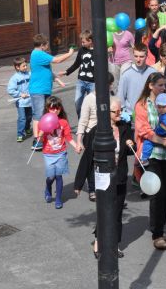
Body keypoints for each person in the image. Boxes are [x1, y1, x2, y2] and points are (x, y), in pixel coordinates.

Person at [134, 72, 166, 250]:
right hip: (153, 154)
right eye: (160, 85)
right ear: (150, 86)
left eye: (164, 85)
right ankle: (157, 234)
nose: (163, 88)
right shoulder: (142, 105)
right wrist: (164, 141)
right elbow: (144, 131)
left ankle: (160, 227)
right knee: (157, 193)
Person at [91, 97, 134, 259]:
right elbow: (89, 156)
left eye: (121, 110)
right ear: (107, 112)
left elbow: (130, 149)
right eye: (116, 111)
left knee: (116, 213)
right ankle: (98, 240)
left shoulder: (124, 127)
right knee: (104, 211)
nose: (120, 113)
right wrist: (80, 182)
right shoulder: (99, 130)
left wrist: (131, 143)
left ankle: (114, 245)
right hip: (104, 177)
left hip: (120, 176)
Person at [28, 33, 74, 150]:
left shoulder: (39, 54)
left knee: (44, 113)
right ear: (42, 45)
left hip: (44, 89)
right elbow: (57, 60)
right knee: (38, 115)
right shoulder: (38, 54)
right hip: (38, 90)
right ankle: (37, 140)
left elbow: (47, 71)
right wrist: (69, 54)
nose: (48, 47)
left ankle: (43, 135)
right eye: (47, 45)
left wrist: (58, 80)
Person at [74, 72, 114, 202]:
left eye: (110, 84)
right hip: (92, 134)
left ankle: (107, 187)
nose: (110, 87)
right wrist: (79, 140)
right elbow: (83, 121)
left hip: (108, 132)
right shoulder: (89, 98)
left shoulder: (111, 96)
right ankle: (92, 189)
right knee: (91, 162)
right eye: (108, 84)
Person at [38, 96, 82, 209]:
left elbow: (68, 137)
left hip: (61, 153)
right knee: (51, 177)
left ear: (60, 109)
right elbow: (40, 140)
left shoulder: (63, 122)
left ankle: (58, 199)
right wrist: (41, 135)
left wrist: (76, 146)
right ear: (47, 109)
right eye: (52, 108)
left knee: (58, 176)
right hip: (48, 154)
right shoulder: (44, 121)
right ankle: (48, 188)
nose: (55, 110)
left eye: (57, 108)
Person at [139, 93, 166, 166]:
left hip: (163, 137)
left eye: (163, 107)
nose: (161, 109)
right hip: (165, 145)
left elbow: (162, 130)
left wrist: (156, 132)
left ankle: (144, 158)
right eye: (159, 107)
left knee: (148, 142)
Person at [59, 30, 95, 118]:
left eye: (84, 42)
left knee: (93, 105)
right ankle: (81, 122)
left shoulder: (97, 51)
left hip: (93, 83)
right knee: (78, 104)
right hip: (81, 81)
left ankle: (91, 125)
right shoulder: (82, 50)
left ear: (90, 41)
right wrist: (66, 72)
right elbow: (76, 63)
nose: (82, 44)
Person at [117, 43, 157, 113]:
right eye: (136, 56)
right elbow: (121, 96)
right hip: (132, 114)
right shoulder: (126, 74)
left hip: (149, 113)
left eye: (141, 57)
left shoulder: (153, 72)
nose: (138, 59)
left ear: (146, 56)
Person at [7, 56, 32, 142]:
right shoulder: (14, 78)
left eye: (26, 65)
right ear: (17, 67)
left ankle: (27, 128)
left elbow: (34, 82)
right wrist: (20, 94)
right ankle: (20, 134)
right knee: (22, 118)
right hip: (21, 102)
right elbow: (10, 90)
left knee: (29, 117)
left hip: (30, 100)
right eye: (23, 66)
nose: (26, 67)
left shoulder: (29, 74)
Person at [109, 26, 135, 91]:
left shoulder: (128, 34)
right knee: (114, 81)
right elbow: (104, 45)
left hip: (126, 60)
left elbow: (134, 46)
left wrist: (136, 59)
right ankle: (116, 97)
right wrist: (107, 48)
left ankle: (125, 95)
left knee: (124, 78)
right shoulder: (110, 34)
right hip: (114, 61)